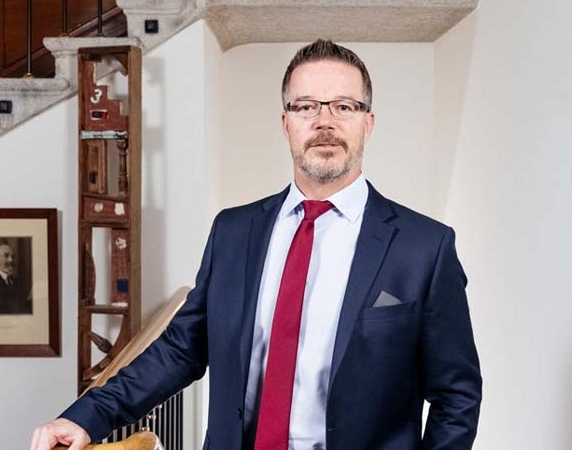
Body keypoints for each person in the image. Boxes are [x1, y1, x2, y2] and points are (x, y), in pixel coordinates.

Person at [31, 39, 481, 450]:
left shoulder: (424, 247)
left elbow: (456, 394)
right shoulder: (233, 232)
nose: (324, 121)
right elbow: (181, 349)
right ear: (286, 123)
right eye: (306, 106)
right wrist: (87, 417)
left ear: (368, 123)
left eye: (344, 106)